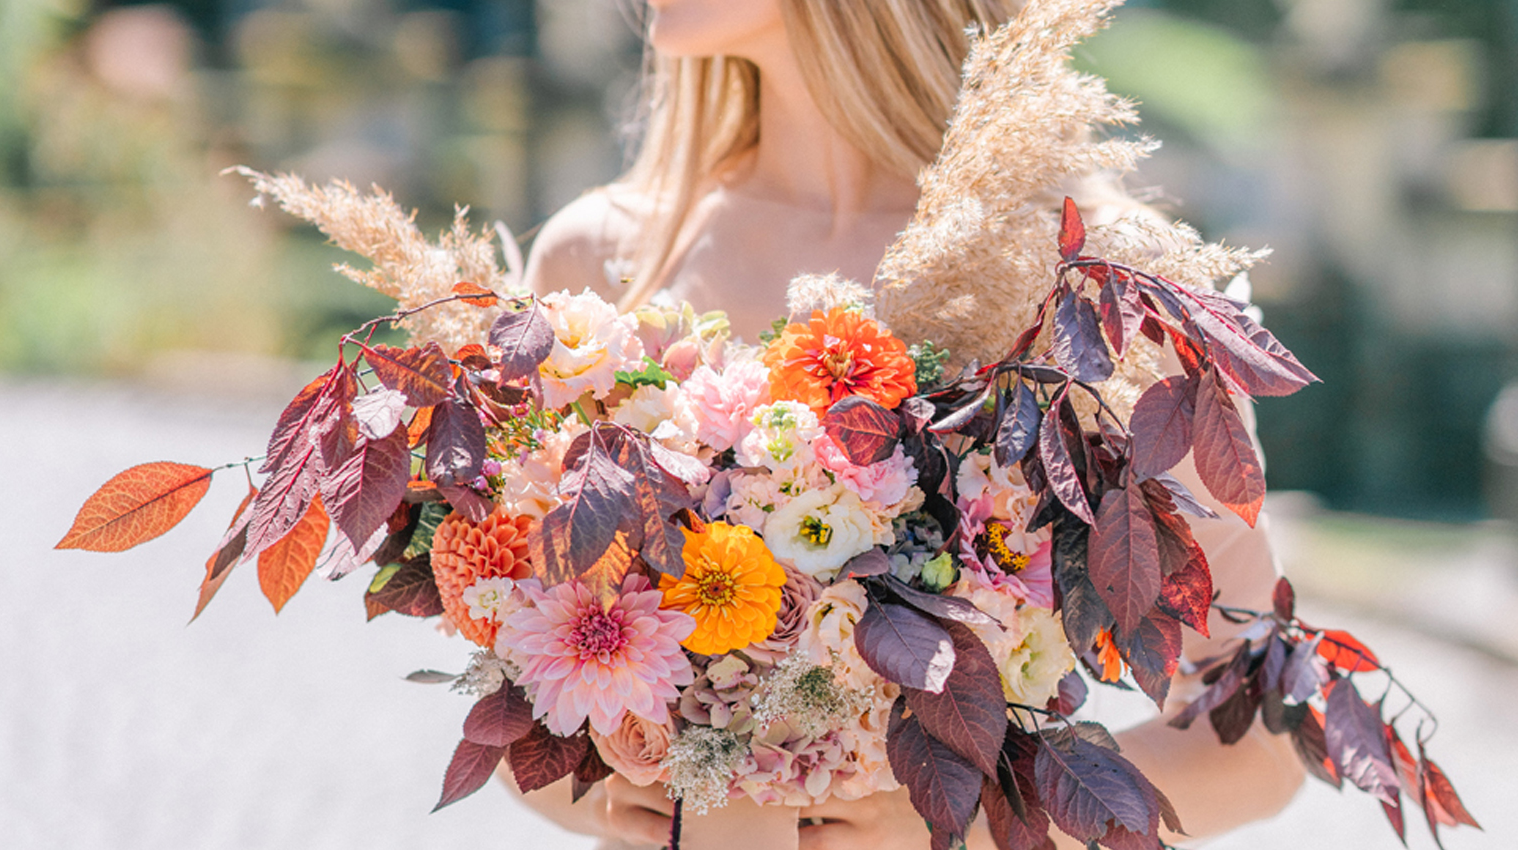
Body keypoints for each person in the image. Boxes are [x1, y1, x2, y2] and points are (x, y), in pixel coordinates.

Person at [512, 1, 1307, 847]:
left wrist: (976, 813)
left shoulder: (1084, 285)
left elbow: (1258, 733)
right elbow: (511, 701)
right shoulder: (596, 263)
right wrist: (595, 795)